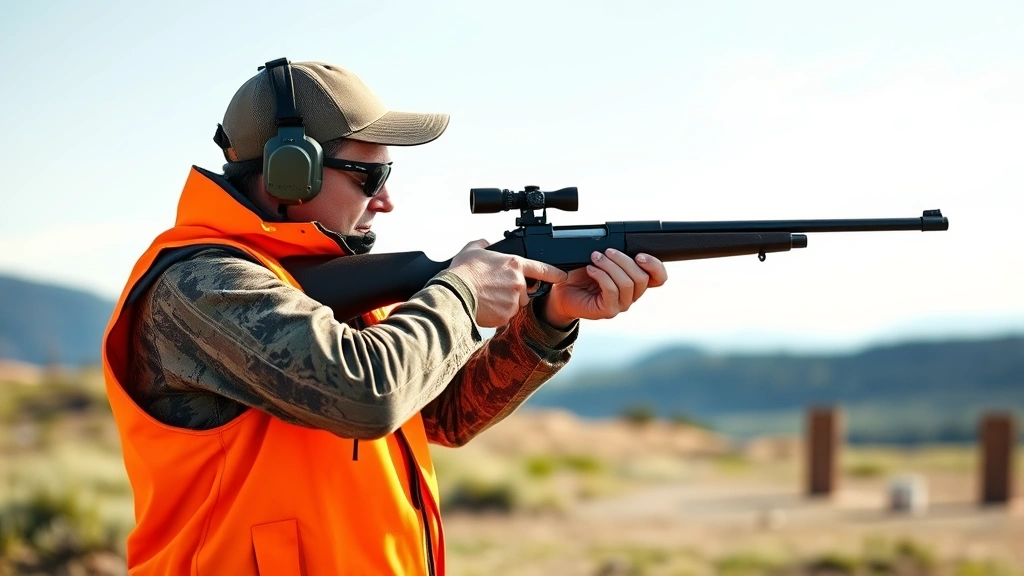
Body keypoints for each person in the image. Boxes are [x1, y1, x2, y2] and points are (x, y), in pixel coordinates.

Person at [101, 58, 668, 576]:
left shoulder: (331, 284)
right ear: (289, 175)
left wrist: (546, 321)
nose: (386, 200)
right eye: (368, 177)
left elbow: (441, 416)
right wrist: (462, 294)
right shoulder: (202, 284)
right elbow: (368, 395)